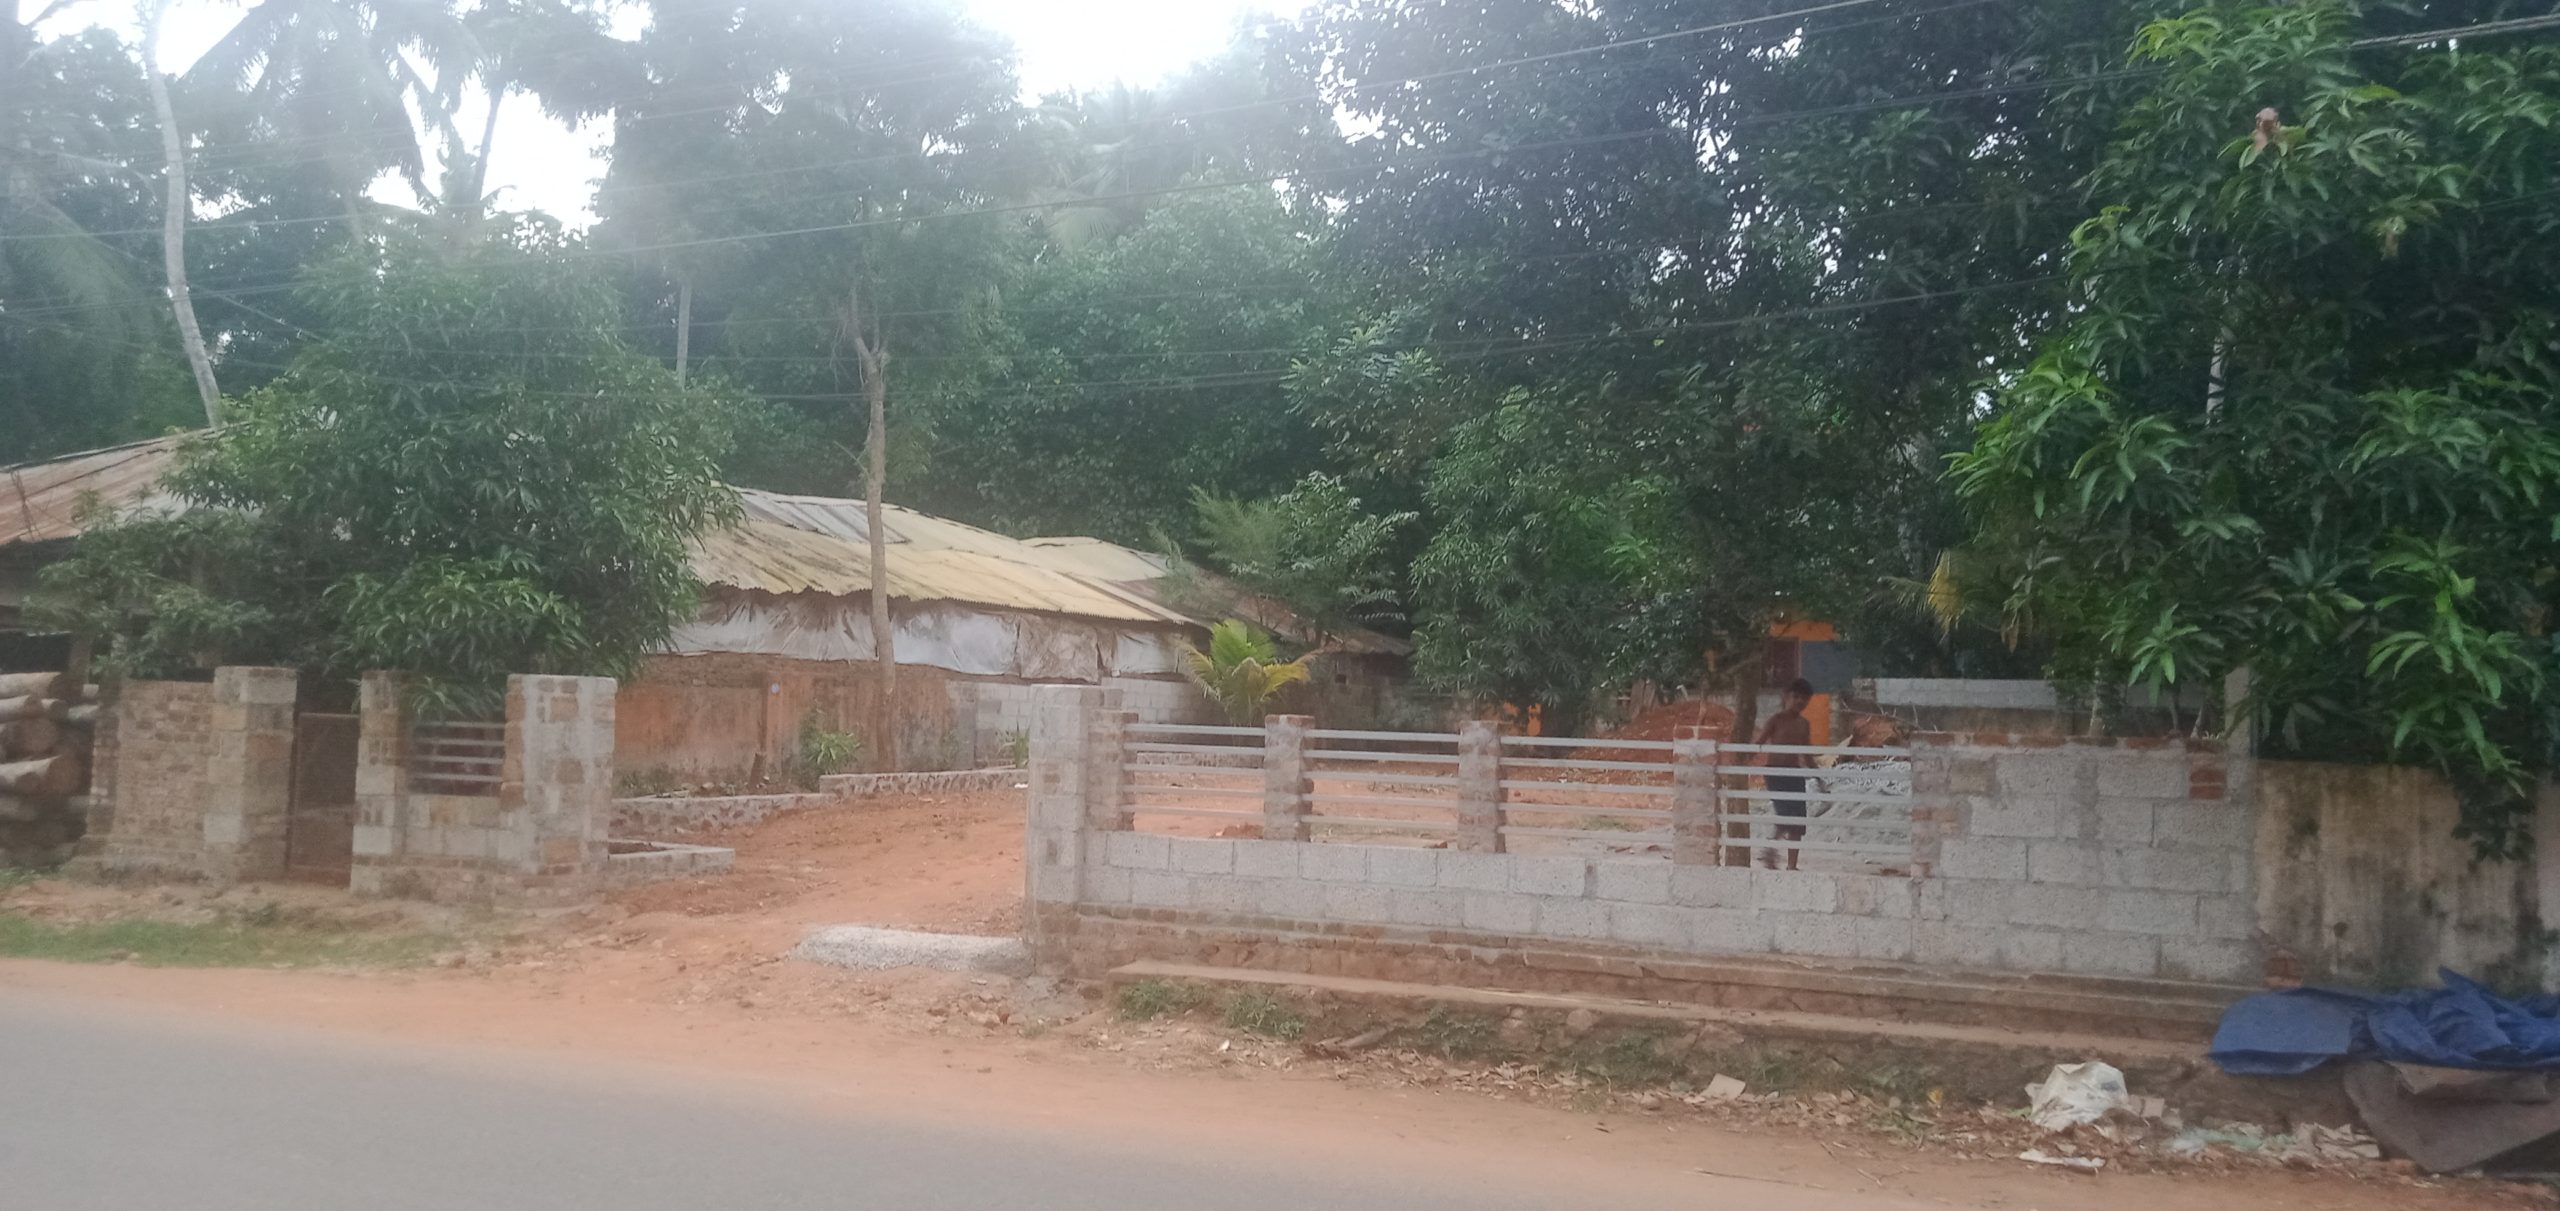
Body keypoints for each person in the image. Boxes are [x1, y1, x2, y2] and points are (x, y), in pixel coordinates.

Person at [1754, 679, 1817, 871]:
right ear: (1786, 697)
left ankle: (1792, 865)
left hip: (1794, 774)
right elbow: (1759, 742)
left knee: (1798, 821)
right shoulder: (1776, 720)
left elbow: (1807, 754)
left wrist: (1819, 776)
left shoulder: (1804, 724)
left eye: (1804, 699)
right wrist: (1741, 760)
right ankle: (1770, 851)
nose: (1800, 701)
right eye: (1796, 697)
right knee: (1785, 815)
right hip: (1775, 772)